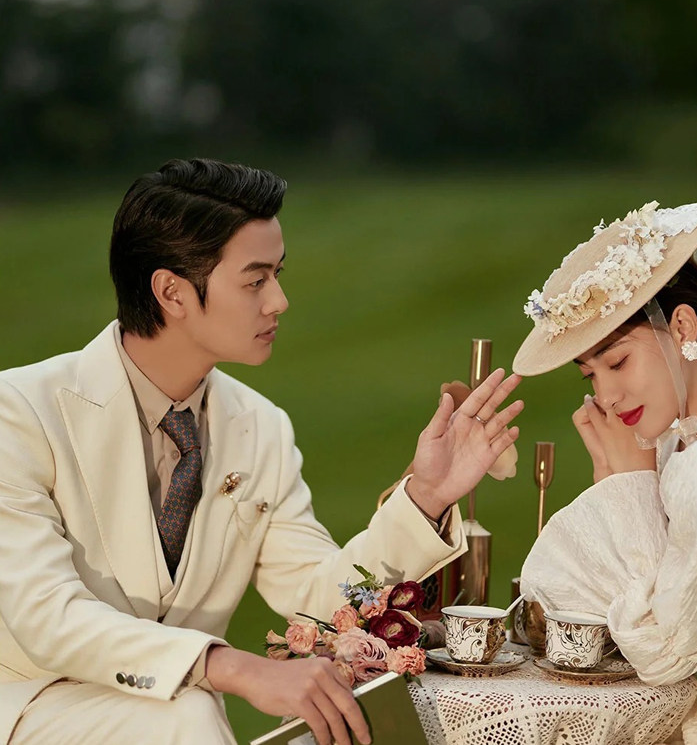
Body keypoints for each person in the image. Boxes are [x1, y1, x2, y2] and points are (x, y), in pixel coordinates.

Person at [0, 158, 524, 745]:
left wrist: (426, 497)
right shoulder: (18, 411)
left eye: (277, 274)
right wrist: (233, 668)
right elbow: (45, 614)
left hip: (180, 718)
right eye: (255, 281)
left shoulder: (261, 427)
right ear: (171, 291)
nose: (279, 300)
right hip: (31, 710)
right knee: (189, 715)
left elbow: (321, 600)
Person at [515, 200, 697, 745]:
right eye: (590, 374)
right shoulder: (678, 453)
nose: (605, 395)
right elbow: (589, 621)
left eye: (618, 361)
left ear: (683, 326)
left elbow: (660, 647)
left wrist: (627, 487)